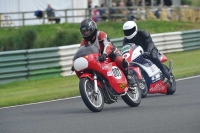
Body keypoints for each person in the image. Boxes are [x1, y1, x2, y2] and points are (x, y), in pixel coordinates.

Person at [76, 18, 136, 86]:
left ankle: (128, 75)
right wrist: (75, 62)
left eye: (87, 31)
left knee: (120, 60)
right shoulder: (84, 42)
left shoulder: (101, 34)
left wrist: (104, 54)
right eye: (84, 31)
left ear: (92, 29)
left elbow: (107, 45)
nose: (86, 33)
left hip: (110, 52)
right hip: (97, 57)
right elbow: (80, 52)